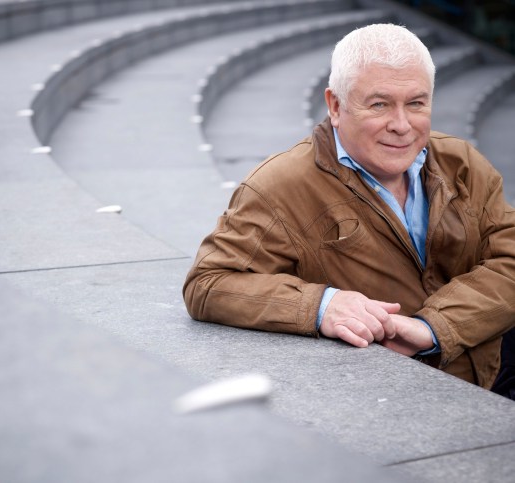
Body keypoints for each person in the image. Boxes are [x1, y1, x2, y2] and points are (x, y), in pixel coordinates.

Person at [183, 23, 515, 395]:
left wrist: (433, 327)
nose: (402, 125)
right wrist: (323, 306)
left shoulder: (461, 162)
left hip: (491, 366)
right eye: (379, 104)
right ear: (335, 106)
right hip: (390, 393)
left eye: (416, 103)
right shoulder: (279, 186)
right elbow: (209, 283)